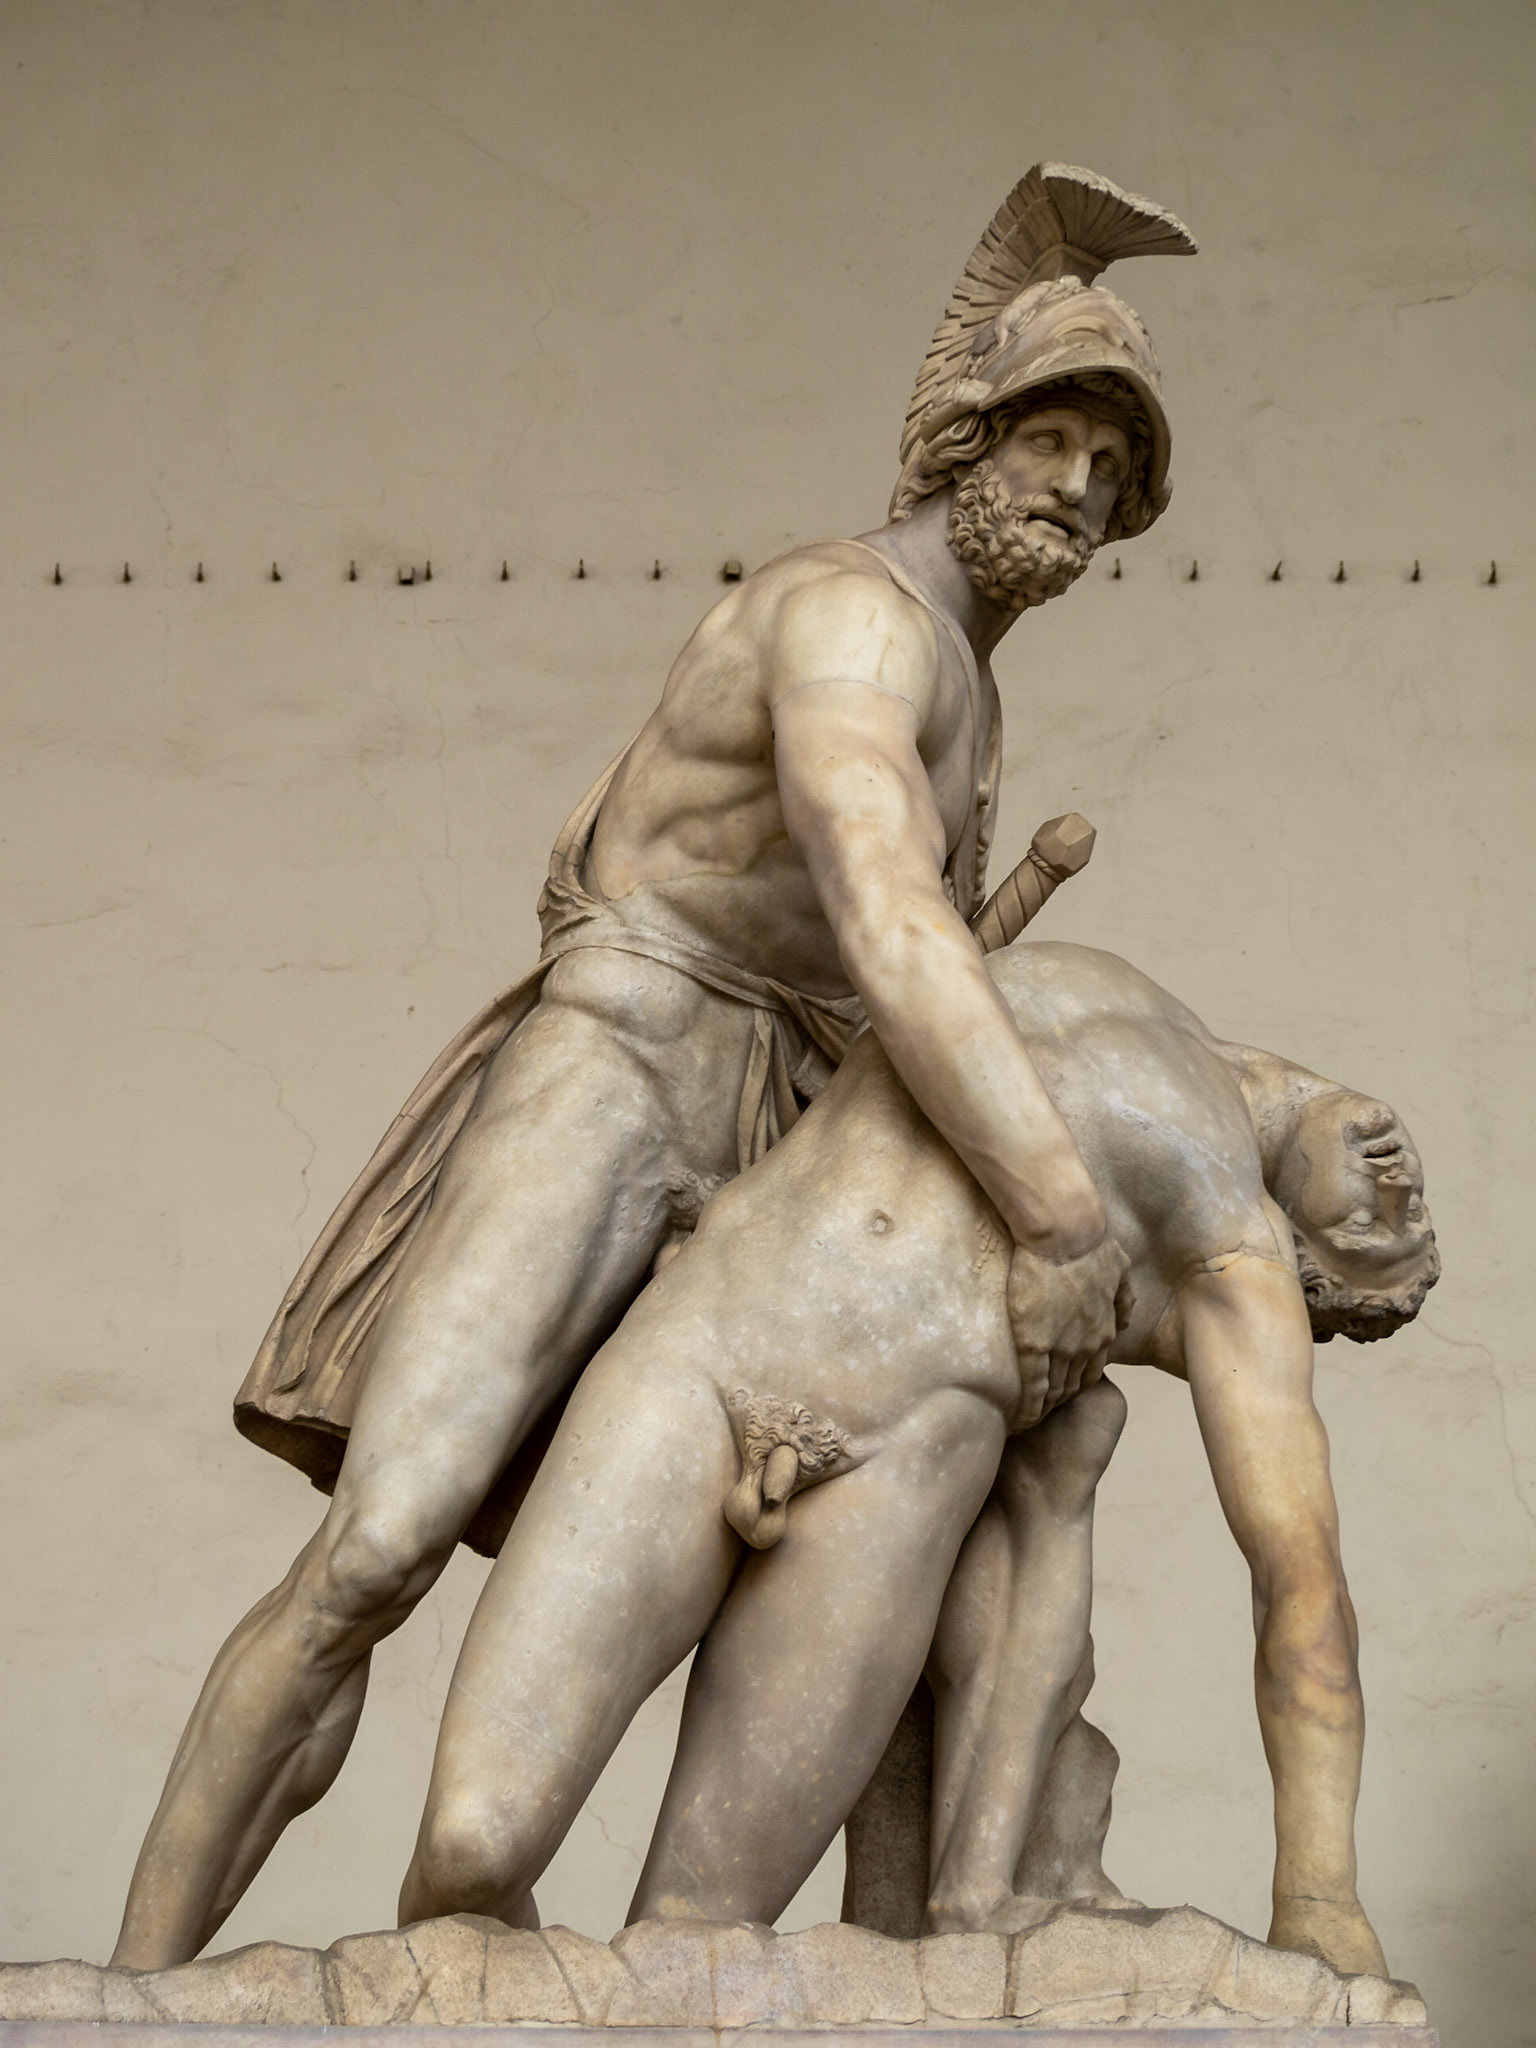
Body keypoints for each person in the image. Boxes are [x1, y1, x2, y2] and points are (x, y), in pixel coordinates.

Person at [112, 163, 1196, 1970]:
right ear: (963, 433)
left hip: (776, 1130)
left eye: (1117, 474)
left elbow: (884, 982)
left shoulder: (975, 692)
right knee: (376, 1549)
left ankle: (881, 1947)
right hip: (621, 1065)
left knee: (904, 1502)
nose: (1082, 493)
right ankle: (132, 1985)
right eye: (1059, 439)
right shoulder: (853, 619)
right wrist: (1060, 1204)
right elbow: (884, 924)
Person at [397, 939, 1437, 1981]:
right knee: (466, 1851)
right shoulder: (1109, 977)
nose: (1400, 1193)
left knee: (691, 1947)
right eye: (1414, 1211)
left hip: (889, 1477)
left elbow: (1299, 1576)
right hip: (705, 1352)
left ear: (1308, 1275)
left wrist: (1319, 1894)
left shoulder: (1231, 1251)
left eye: (1379, 1237)